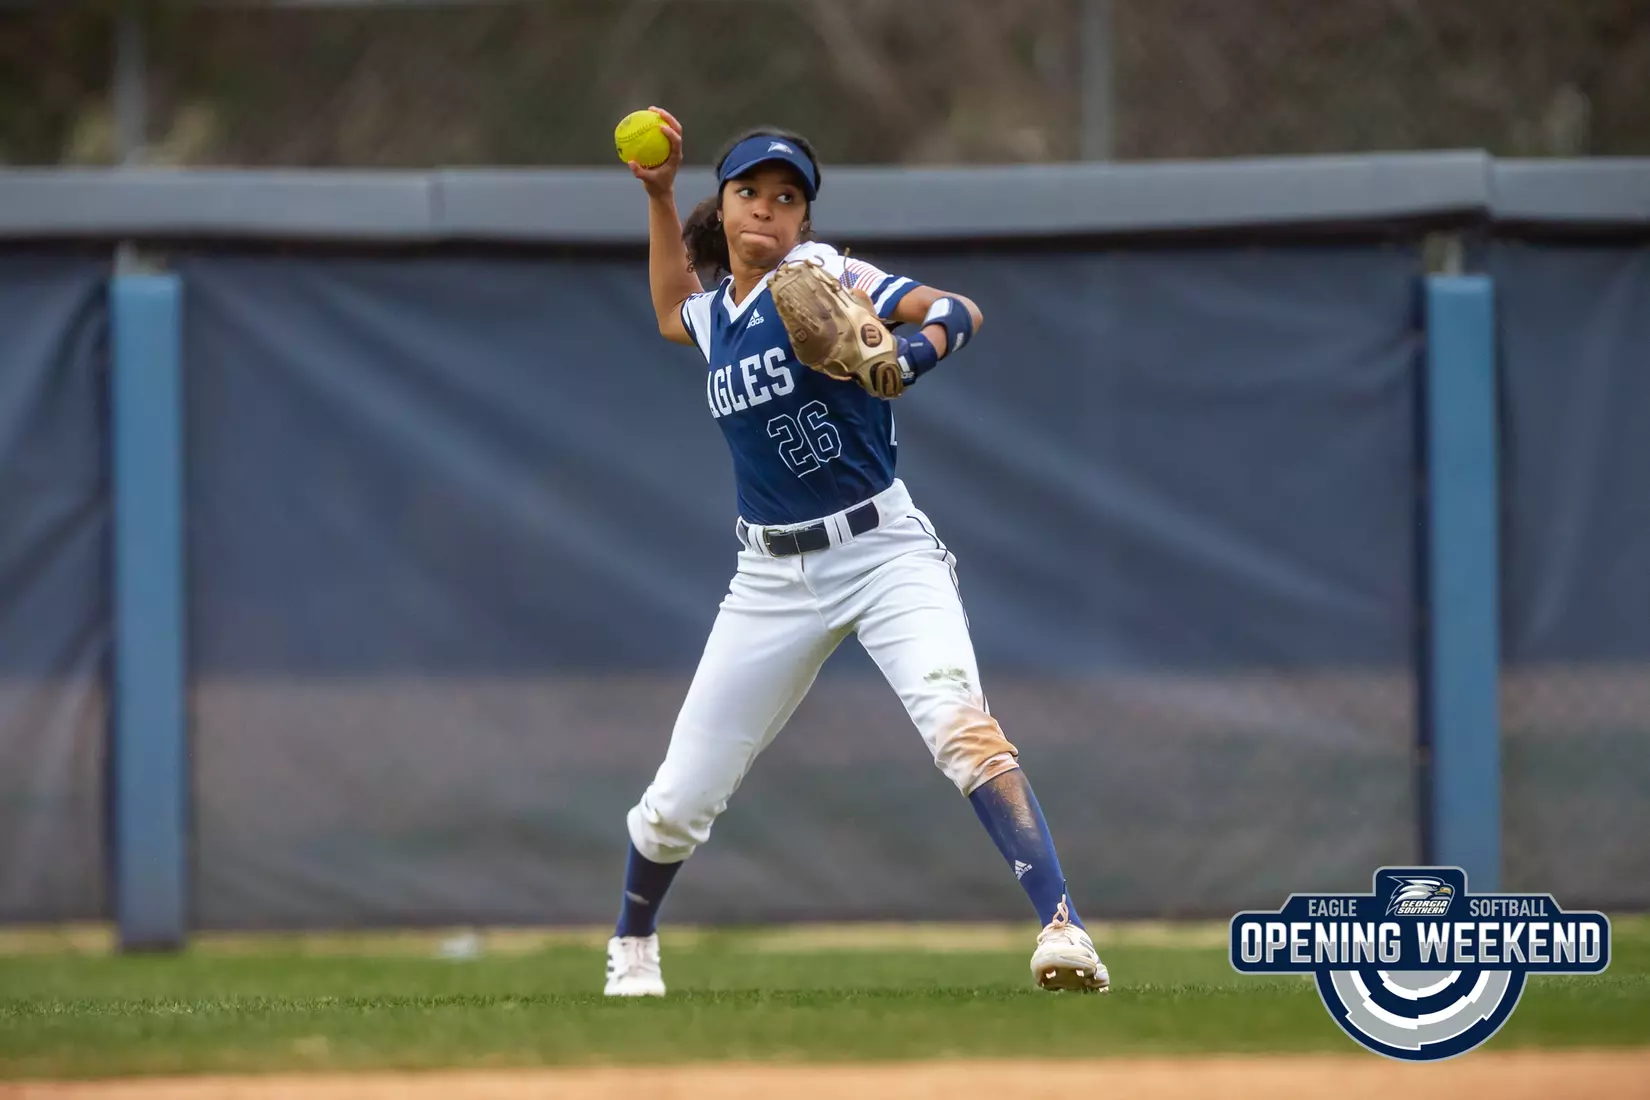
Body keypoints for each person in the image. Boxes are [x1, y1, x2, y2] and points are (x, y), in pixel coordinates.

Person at [605, 106, 1108, 996]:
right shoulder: (720, 317)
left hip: (883, 554)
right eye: (750, 192)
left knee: (962, 728)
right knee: (681, 800)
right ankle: (632, 943)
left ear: (805, 218)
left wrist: (908, 354)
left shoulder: (828, 275)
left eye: (786, 197)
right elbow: (671, 310)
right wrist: (658, 196)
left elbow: (957, 309)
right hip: (770, 576)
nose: (766, 209)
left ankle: (1063, 929)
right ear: (724, 206)